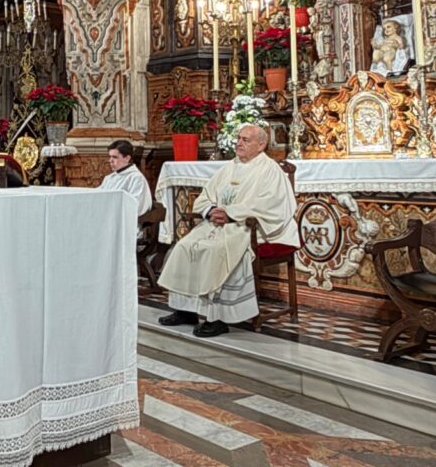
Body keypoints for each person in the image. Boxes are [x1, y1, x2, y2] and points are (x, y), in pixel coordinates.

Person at [156, 124, 299, 337]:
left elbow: (272, 205)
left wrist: (231, 214)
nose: (238, 143)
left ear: (261, 145)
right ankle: (185, 310)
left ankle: (218, 317)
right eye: (238, 138)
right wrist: (210, 211)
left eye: (245, 140)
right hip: (218, 225)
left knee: (217, 251)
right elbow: (205, 196)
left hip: (249, 227)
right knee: (184, 246)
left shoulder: (270, 170)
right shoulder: (229, 167)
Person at [99, 140, 152, 219]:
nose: (110, 161)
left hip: (127, 221)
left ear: (127, 158)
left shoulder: (136, 178)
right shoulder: (109, 178)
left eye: (115, 157)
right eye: (110, 157)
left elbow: (136, 207)